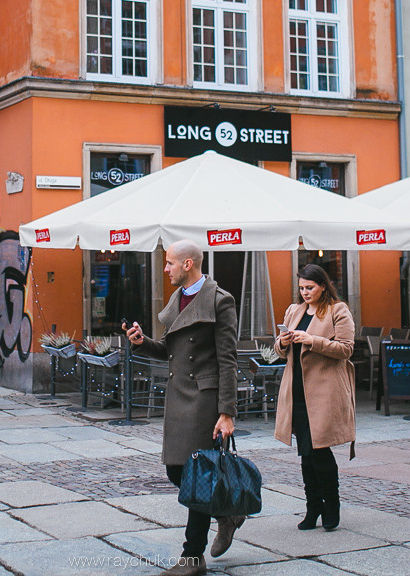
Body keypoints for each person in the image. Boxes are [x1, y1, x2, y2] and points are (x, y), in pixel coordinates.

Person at [124, 240, 239, 576]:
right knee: (176, 471)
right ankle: (227, 512)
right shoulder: (178, 298)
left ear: (188, 264)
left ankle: (192, 557)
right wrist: (143, 342)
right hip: (178, 397)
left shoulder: (220, 300)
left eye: (170, 263)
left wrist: (227, 412)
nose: (166, 268)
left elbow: (228, 360)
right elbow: (171, 351)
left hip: (204, 400)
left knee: (197, 475)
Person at [273, 264, 356, 532]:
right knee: (306, 454)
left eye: (310, 288)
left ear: (323, 286)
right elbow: (278, 349)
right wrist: (284, 341)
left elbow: (346, 349)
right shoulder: (294, 310)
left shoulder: (337, 310)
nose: (305, 292)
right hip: (296, 390)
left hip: (323, 392)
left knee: (320, 451)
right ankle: (313, 507)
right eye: (301, 288)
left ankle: (331, 505)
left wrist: (311, 339)